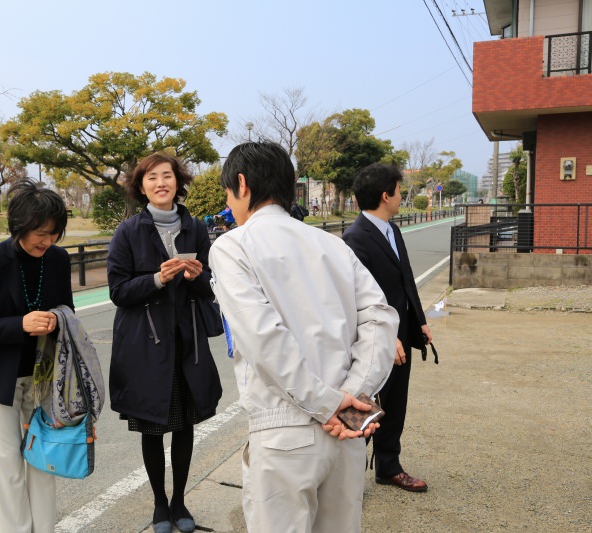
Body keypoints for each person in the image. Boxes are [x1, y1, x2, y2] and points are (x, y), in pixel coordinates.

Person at [208, 142, 399, 532]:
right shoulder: (333, 245)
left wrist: (327, 404)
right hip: (347, 430)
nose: (230, 203)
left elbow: (264, 340)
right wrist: (352, 399)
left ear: (241, 185)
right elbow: (380, 318)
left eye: (228, 194)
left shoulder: (233, 245)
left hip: (285, 428)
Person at [106, 153, 222, 533]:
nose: (161, 183)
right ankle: (159, 504)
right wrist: (156, 279)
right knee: (153, 428)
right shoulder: (128, 231)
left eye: (167, 176)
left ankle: (180, 501)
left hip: (187, 342)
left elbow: (211, 288)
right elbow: (118, 291)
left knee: (186, 425)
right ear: (141, 187)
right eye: (152, 178)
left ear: (178, 181)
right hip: (146, 345)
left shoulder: (196, 229)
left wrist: (194, 277)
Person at [0, 179, 74, 532]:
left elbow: (67, 308)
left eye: (54, 233)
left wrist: (56, 318)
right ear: (19, 226)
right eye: (40, 232)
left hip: (43, 375)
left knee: (43, 457)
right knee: (7, 462)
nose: (47, 241)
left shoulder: (58, 259)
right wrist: (20, 324)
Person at [342, 162, 434, 493]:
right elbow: (359, 297)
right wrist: (388, 337)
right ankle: (345, 475)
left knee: (395, 405)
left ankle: (388, 467)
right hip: (373, 340)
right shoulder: (355, 238)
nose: (400, 196)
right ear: (386, 195)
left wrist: (418, 322)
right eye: (398, 190)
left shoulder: (392, 230)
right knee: (363, 406)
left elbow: (405, 280)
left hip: (400, 335)